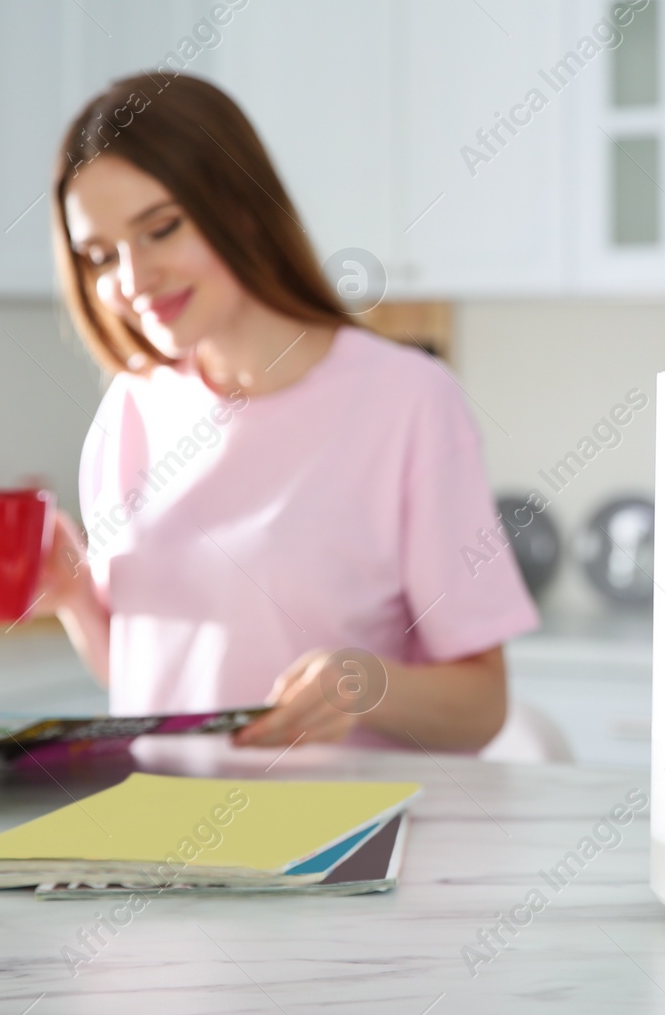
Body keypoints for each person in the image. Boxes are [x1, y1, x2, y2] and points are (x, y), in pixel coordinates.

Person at [33, 72, 538, 752]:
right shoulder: (131, 406)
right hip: (154, 837)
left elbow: (483, 706)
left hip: (332, 842)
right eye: (99, 256)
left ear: (241, 205)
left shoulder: (408, 400)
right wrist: (73, 600)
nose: (131, 280)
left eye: (161, 228)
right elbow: (153, 688)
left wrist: (366, 683)